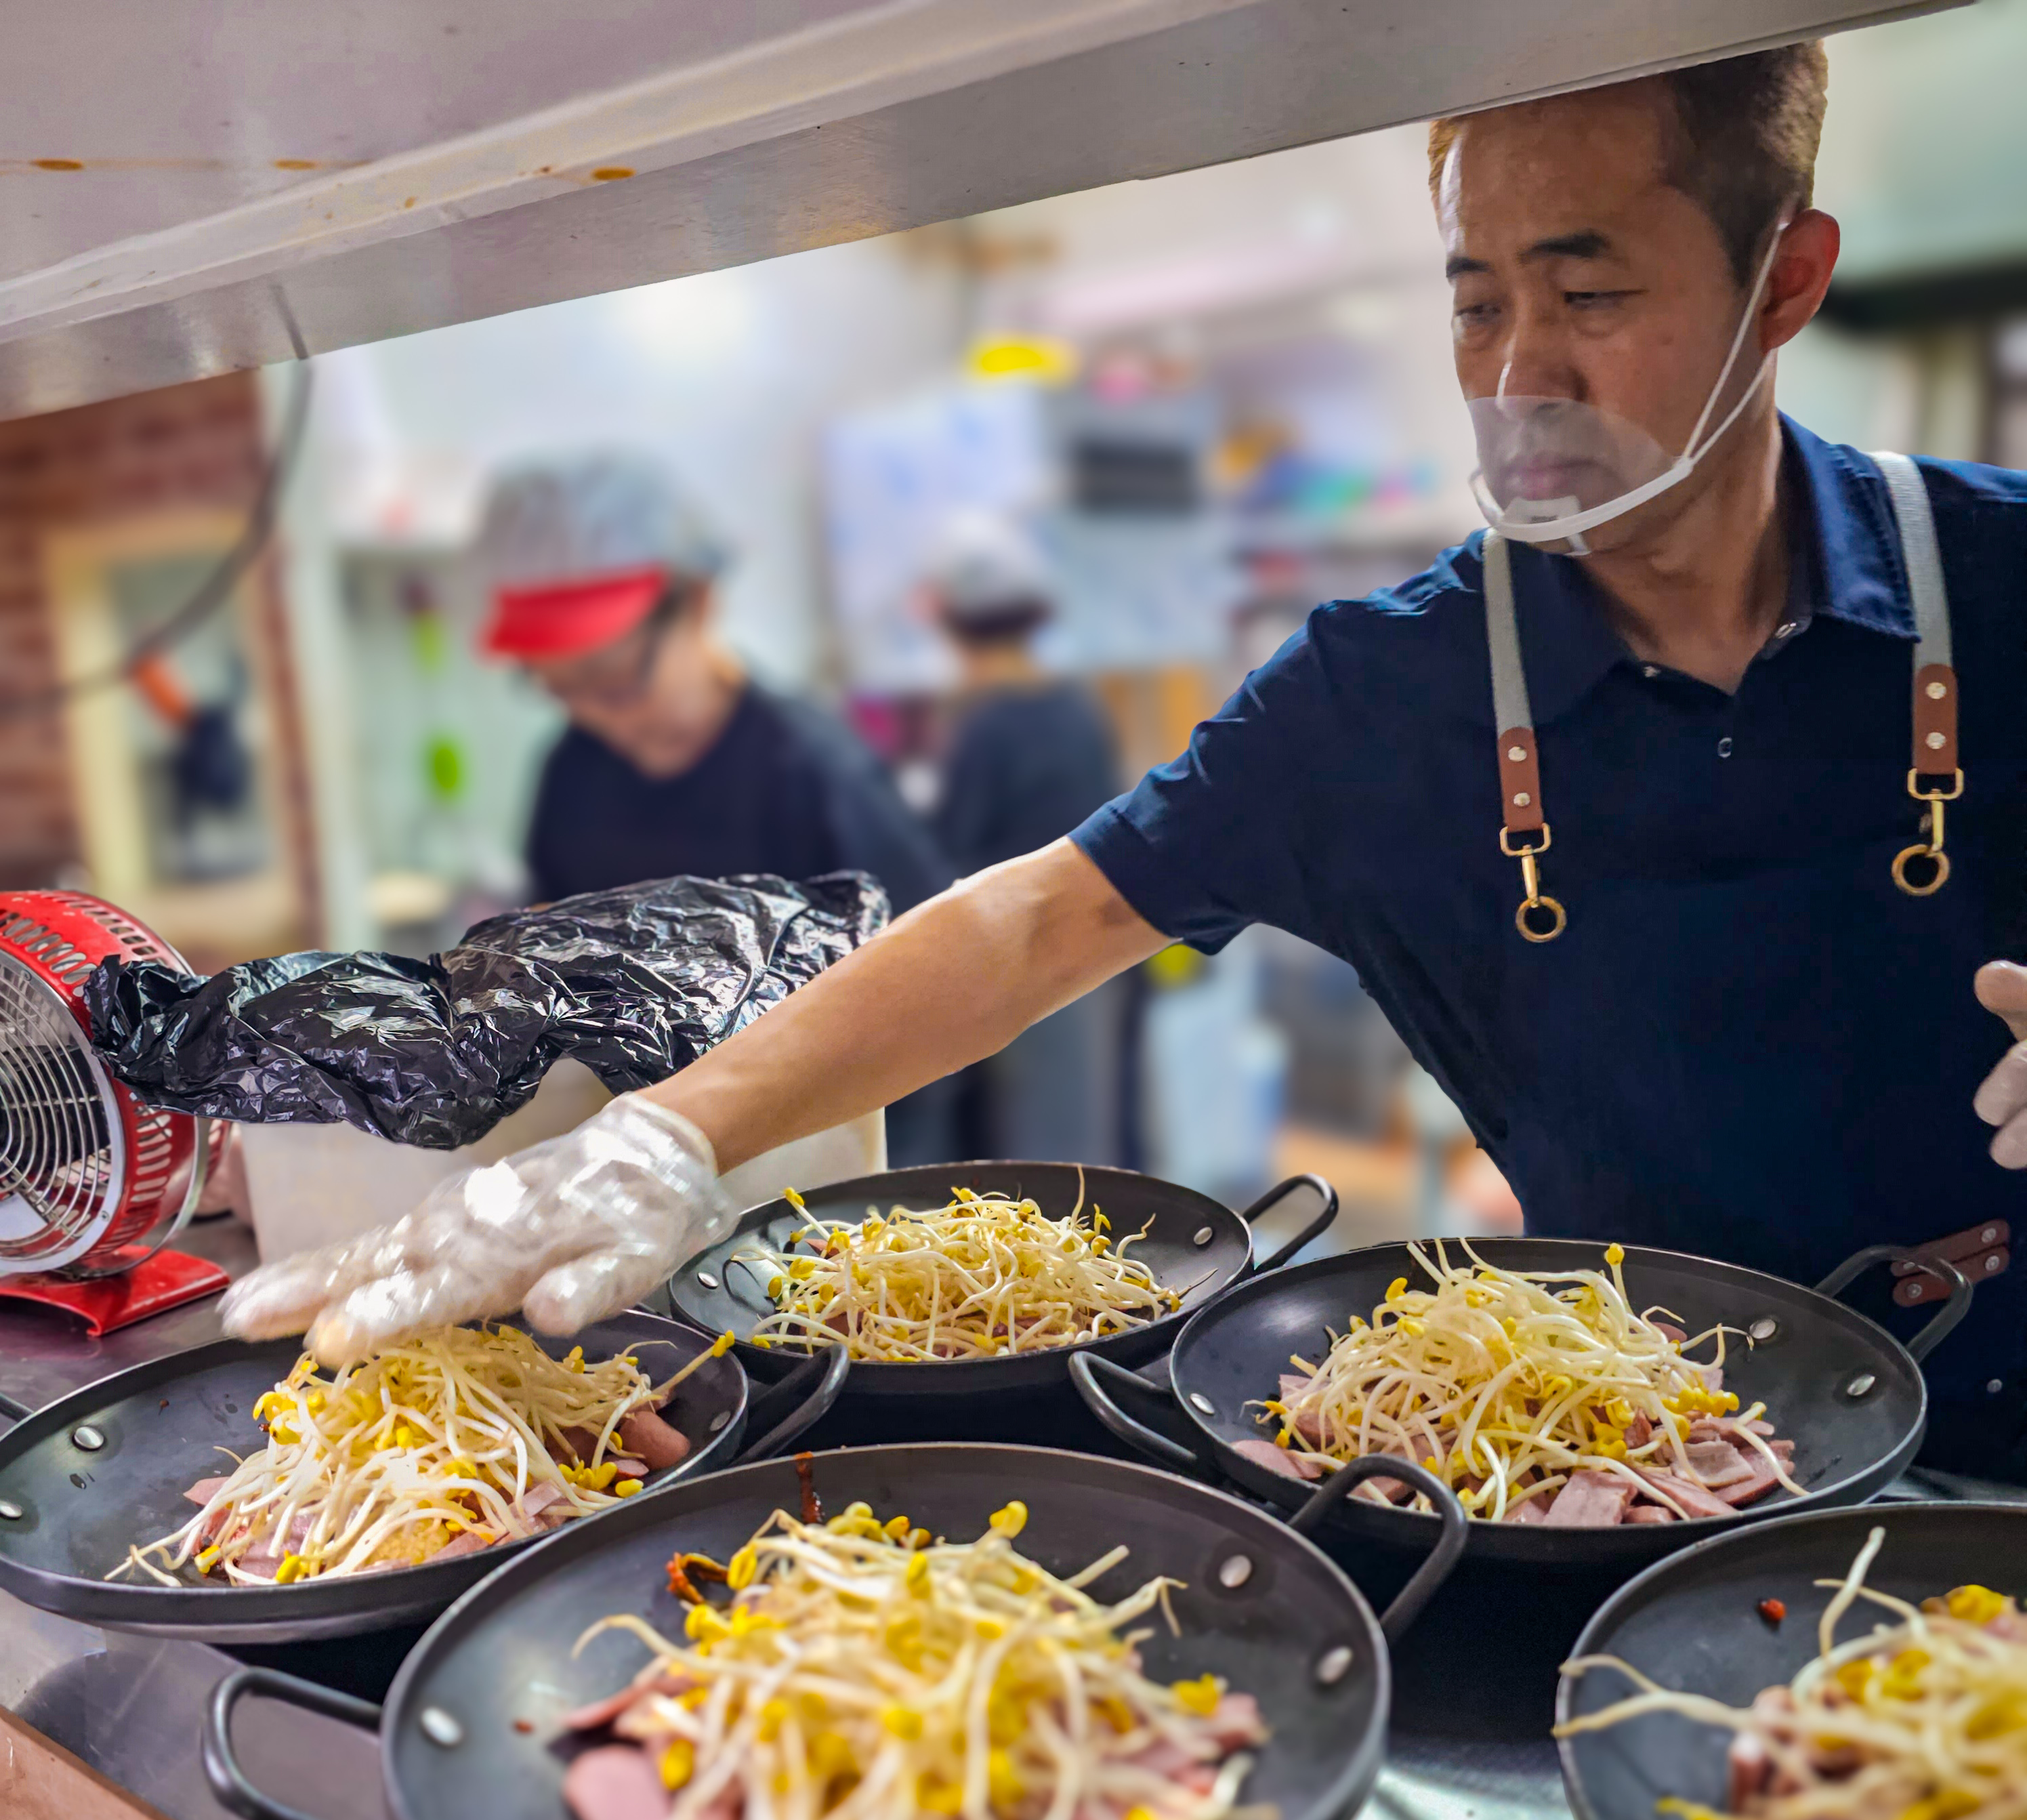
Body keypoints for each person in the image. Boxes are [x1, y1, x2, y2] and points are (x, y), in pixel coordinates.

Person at [228, 47, 2027, 1484]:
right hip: (1634, 1468)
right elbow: (1035, 921)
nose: (1519, 375)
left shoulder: (2004, 581)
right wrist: (660, 1135)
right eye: (1476, 305)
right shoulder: (1386, 698)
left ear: (1785, 278)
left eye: (1589, 291)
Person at [482, 454, 950, 922]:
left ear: (699, 600)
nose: (592, 714)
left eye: (612, 685)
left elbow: (931, 956)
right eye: (557, 688)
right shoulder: (571, 771)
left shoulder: (815, 775)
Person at [923, 512, 1124, 1164]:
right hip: (1101, 954)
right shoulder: (1074, 707)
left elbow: (950, 865)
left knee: (1041, 1164)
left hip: (1025, 964)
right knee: (1080, 1142)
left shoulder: (982, 728)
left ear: (949, 623)